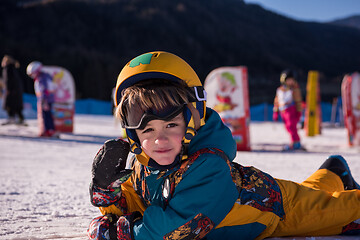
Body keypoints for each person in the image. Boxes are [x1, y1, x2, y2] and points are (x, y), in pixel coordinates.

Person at [87, 51, 360, 240]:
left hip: (280, 212)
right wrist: (107, 192)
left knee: (345, 212)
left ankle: (336, 175)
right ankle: (335, 172)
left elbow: (175, 230)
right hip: (267, 202)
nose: (160, 140)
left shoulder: (208, 165)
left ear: (192, 119)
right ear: (132, 133)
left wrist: (121, 233)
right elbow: (134, 205)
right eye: (147, 130)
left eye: (171, 125)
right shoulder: (143, 163)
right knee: (314, 191)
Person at [273, 69, 303, 151]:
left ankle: (295, 143)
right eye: (288, 80)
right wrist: (275, 111)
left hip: (291, 110)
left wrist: (299, 111)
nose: (290, 82)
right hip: (283, 111)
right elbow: (277, 100)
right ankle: (295, 142)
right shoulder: (280, 90)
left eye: (291, 80)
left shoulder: (294, 89)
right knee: (288, 127)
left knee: (291, 126)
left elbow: (298, 100)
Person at [26, 61, 56, 137]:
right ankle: (50, 129)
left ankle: (48, 130)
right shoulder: (44, 77)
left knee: (45, 115)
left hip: (45, 99)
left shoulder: (42, 78)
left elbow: (44, 90)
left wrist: (44, 100)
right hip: (47, 99)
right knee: (47, 114)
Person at [1, 55, 25, 125]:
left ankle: (12, 118)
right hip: (17, 89)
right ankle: (20, 119)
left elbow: (8, 80)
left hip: (12, 89)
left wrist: (8, 89)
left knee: (9, 104)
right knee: (16, 105)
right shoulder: (13, 68)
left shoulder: (8, 68)